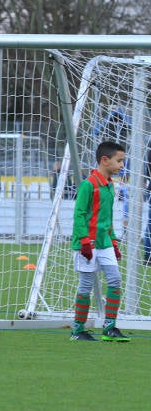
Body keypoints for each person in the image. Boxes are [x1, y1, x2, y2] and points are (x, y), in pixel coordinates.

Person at [70, 141, 130, 342]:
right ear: (105, 160)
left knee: (115, 280)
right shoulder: (89, 184)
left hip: (105, 243)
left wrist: (114, 242)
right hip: (87, 244)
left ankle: (109, 327)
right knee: (86, 285)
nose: (122, 165)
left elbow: (107, 217)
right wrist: (84, 241)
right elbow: (79, 215)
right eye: (119, 161)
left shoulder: (111, 185)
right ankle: (78, 330)